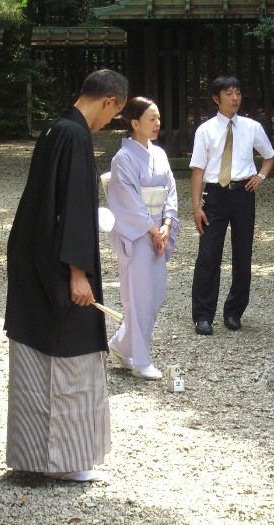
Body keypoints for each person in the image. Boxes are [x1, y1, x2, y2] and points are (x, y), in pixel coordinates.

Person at [4, 69, 128, 481]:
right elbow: (73, 207)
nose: (109, 122)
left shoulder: (54, 128)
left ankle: (33, 457)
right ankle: (68, 461)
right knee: (69, 352)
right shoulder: (75, 136)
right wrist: (78, 273)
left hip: (35, 257)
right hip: (59, 265)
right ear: (109, 101)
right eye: (114, 115)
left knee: (37, 353)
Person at [190, 74, 274, 335]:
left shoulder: (251, 127)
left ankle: (234, 312)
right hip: (215, 195)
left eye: (237, 92)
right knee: (208, 254)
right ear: (216, 98)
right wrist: (196, 206)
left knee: (243, 254)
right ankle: (203, 315)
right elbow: (197, 170)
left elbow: (269, 156)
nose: (234, 97)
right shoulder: (205, 130)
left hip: (242, 194)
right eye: (228, 93)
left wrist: (260, 176)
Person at [106, 97, 179, 380]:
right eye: (151, 119)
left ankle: (121, 345)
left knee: (155, 294)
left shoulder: (159, 154)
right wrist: (152, 229)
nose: (157, 123)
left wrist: (167, 224)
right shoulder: (122, 158)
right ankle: (139, 358)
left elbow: (170, 190)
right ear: (134, 123)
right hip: (136, 234)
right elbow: (128, 201)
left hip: (158, 230)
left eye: (159, 118)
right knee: (138, 296)